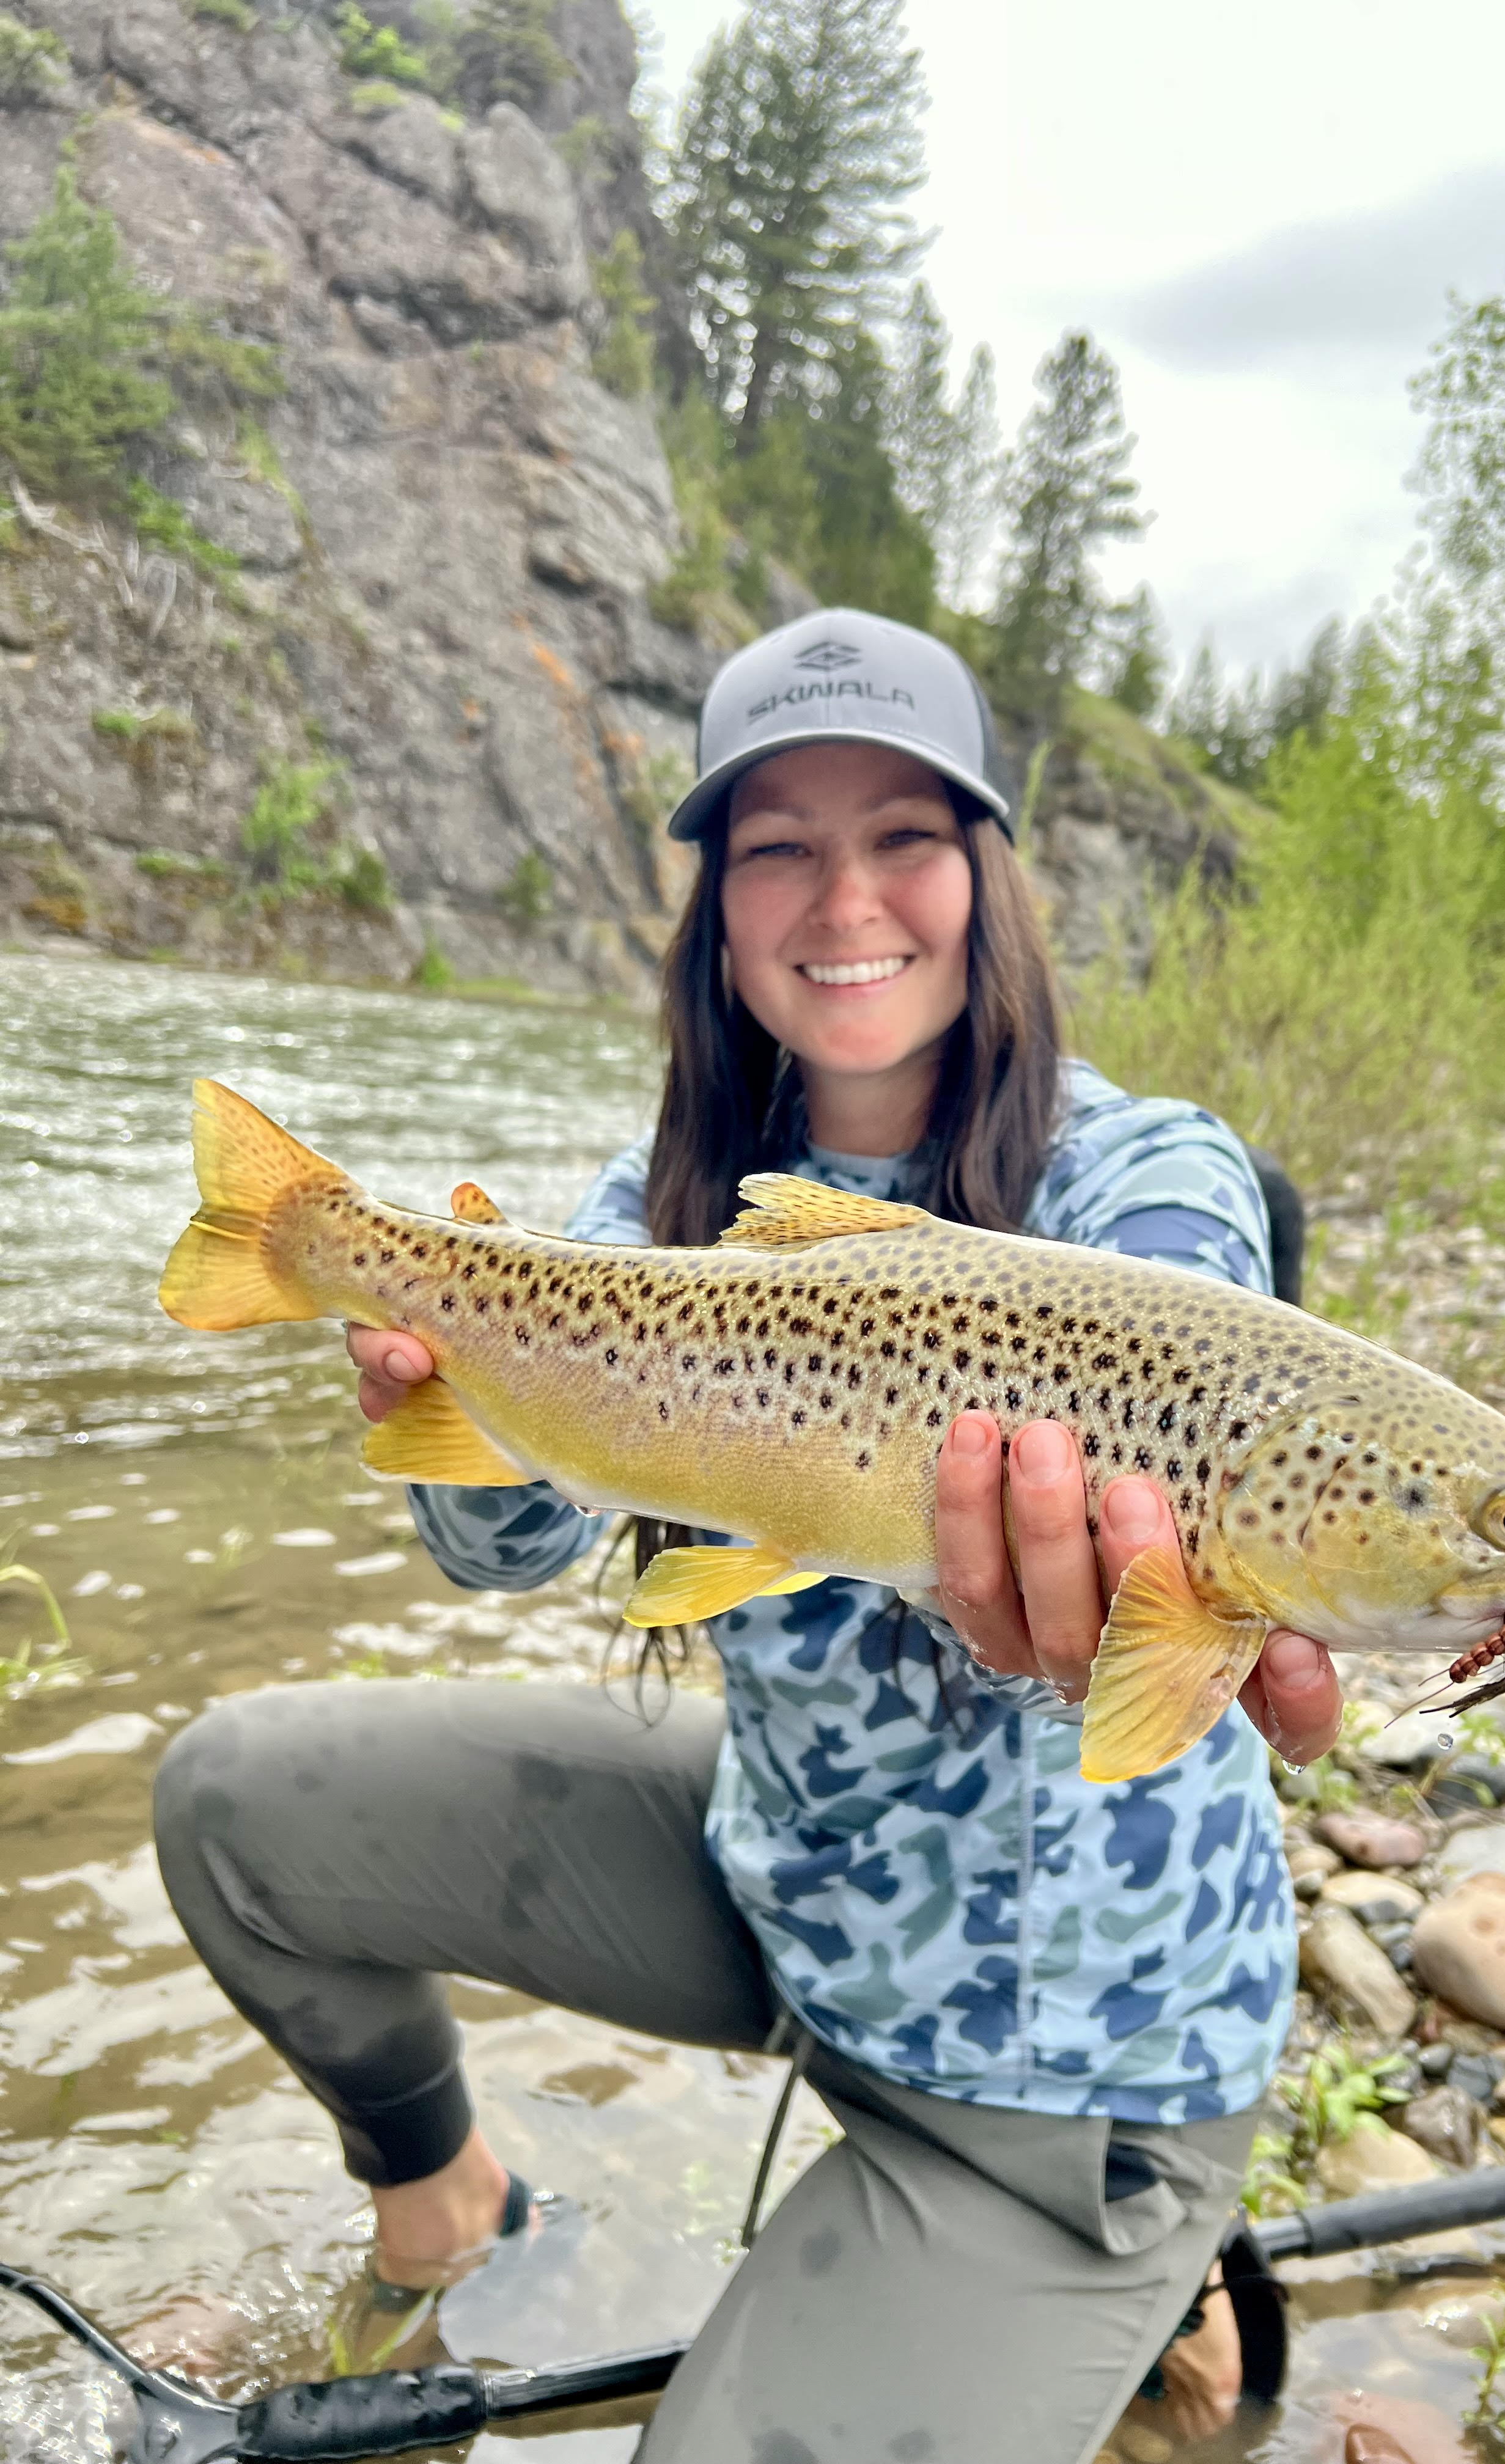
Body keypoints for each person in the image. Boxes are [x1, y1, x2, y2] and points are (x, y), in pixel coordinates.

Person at [153, 608, 1343, 2463]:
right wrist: (431, 1393)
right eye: (778, 845)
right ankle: (450, 2205)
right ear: (717, 913)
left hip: (1055, 2075)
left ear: (988, 878)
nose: (842, 895)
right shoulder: (657, 1206)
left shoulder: (1147, 1179)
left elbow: (1192, 1379)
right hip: (781, 1881)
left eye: (903, 838)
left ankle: (1127, 2265)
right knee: (236, 1810)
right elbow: (502, 1557)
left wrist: (1138, 1591)